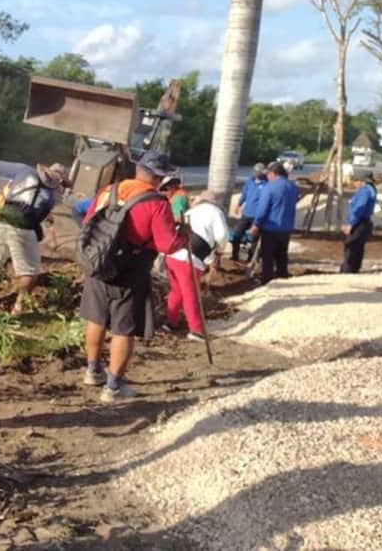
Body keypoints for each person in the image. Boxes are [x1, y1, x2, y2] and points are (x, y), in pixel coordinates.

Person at [80, 150, 185, 403]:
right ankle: (113, 387)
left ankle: (92, 371)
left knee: (96, 319)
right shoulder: (157, 203)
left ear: (138, 169)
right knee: (123, 328)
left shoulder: (109, 190)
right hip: (130, 271)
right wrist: (184, 236)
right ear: (159, 177)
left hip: (98, 264)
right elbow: (166, 245)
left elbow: (88, 221)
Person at [0, 161, 67, 314]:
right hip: (24, 228)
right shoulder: (50, 198)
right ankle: (18, 306)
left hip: (3, 220)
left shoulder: (24, 170)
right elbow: (36, 219)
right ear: (57, 182)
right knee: (30, 271)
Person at [163, 190, 228, 341]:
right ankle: (196, 330)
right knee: (190, 294)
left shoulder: (192, 211)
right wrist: (219, 251)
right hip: (189, 258)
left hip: (172, 256)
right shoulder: (215, 212)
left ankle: (170, 322)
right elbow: (222, 235)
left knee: (177, 291)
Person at [250, 161, 300, 284]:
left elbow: (263, 209)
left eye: (268, 174)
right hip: (286, 228)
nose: (267, 177)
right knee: (282, 256)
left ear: (273, 173)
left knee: (268, 258)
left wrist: (256, 224)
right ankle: (282, 280)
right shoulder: (292, 187)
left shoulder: (270, 187)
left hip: (271, 228)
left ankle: (267, 281)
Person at [341, 173, 378, 273]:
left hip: (359, 222)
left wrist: (350, 224)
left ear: (361, 181)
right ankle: (354, 268)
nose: (354, 184)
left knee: (351, 245)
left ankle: (348, 269)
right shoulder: (371, 189)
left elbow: (358, 209)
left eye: (355, 181)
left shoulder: (364, 192)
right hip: (365, 222)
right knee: (358, 246)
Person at [231, 163, 267, 262]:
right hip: (246, 213)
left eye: (258, 172)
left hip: (257, 216)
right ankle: (235, 255)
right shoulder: (250, 181)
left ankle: (251, 258)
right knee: (236, 234)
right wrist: (238, 205)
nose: (256, 173)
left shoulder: (266, 184)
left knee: (254, 238)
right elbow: (244, 194)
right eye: (255, 171)